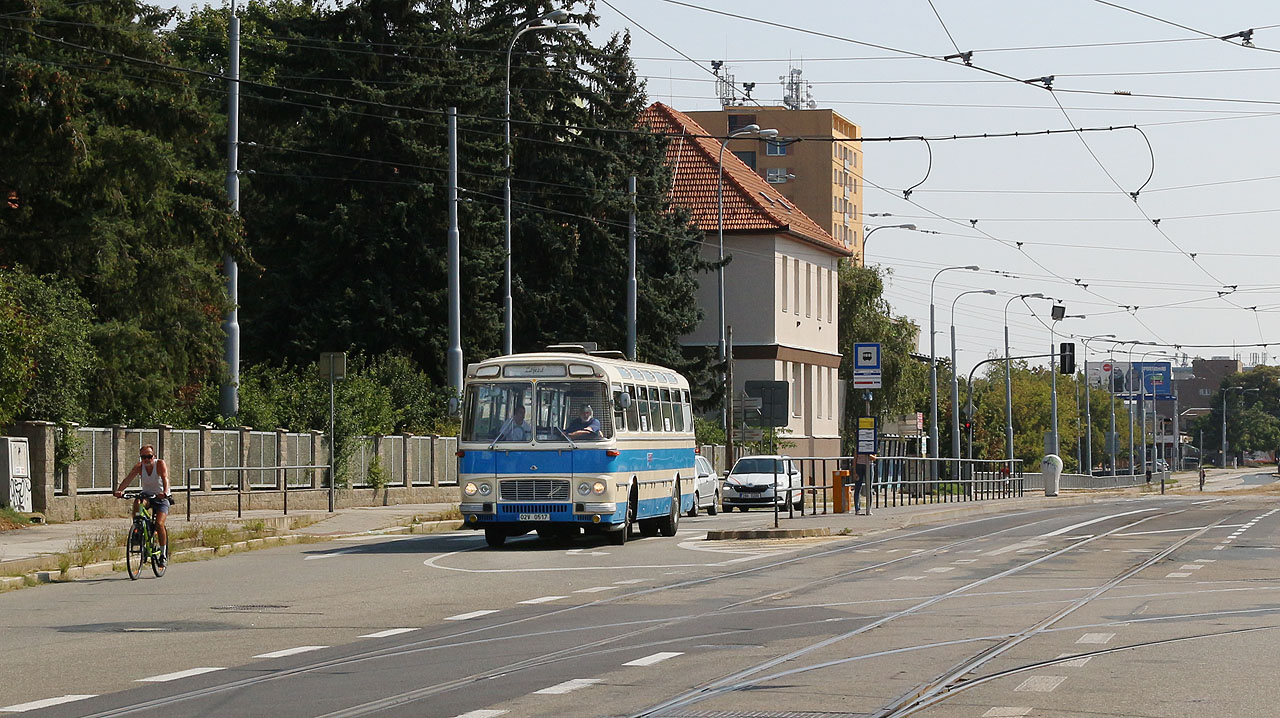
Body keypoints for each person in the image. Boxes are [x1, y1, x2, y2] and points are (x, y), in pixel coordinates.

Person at [113, 444, 171, 565]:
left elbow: (165, 478)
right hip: (147, 496)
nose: (146, 459)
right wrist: (120, 490)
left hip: (161, 498)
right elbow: (128, 479)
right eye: (143, 457)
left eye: (149, 456)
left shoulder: (160, 464)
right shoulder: (140, 467)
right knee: (137, 501)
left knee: (159, 524)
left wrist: (165, 492)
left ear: (153, 456)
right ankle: (138, 526)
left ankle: (163, 554)